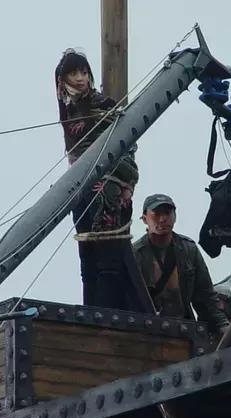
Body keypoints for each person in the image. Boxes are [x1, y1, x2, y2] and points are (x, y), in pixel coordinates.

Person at [55, 49, 139, 309]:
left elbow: (128, 144)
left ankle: (104, 315)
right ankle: (90, 314)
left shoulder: (103, 103)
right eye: (73, 73)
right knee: (87, 260)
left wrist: (126, 184)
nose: (80, 78)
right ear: (62, 80)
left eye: (83, 72)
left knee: (108, 261)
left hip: (108, 186)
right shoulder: (67, 108)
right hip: (81, 187)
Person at [133, 194, 229, 333]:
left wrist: (222, 325)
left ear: (175, 216)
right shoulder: (136, 254)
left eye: (167, 213)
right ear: (144, 219)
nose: (163, 219)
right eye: (156, 213)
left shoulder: (188, 250)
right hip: (146, 329)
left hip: (183, 329)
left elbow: (205, 295)